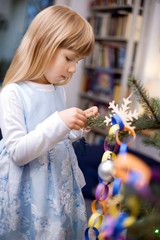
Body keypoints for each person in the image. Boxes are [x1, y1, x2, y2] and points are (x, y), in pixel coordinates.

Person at [0, 5, 98, 240]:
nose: (74, 68)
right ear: (44, 44)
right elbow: (18, 152)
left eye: (79, 61)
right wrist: (59, 121)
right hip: (28, 188)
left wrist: (76, 127)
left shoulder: (57, 91)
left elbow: (56, 138)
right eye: (69, 58)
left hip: (56, 183)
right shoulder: (12, 93)